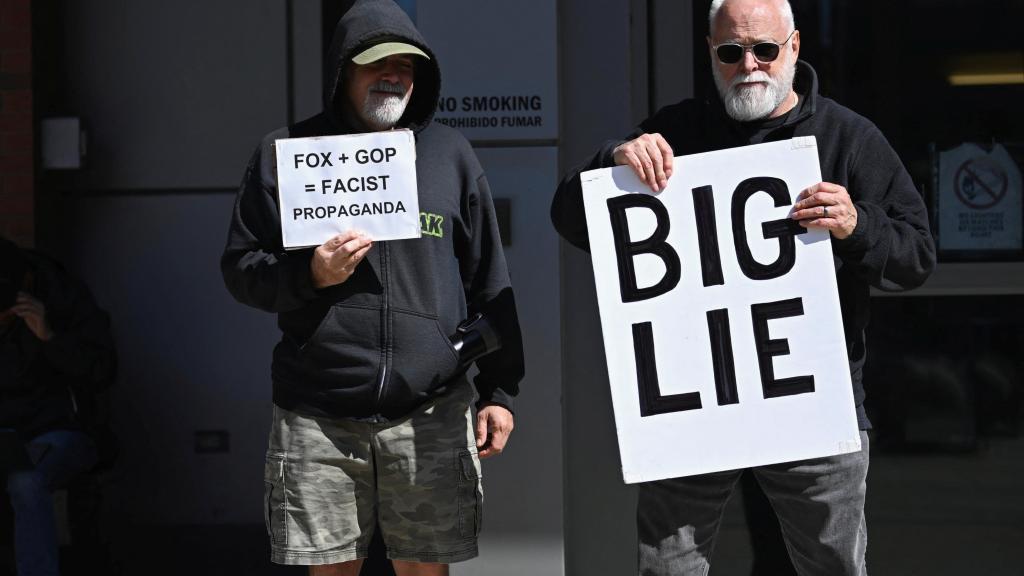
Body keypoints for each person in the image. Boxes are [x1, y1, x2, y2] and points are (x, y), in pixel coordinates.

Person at [550, 0, 935, 573]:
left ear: (795, 47)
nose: (749, 65)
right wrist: (612, 161)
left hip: (810, 401)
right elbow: (569, 216)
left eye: (765, 49)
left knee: (831, 564)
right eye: (731, 51)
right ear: (711, 53)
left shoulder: (847, 137)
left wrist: (858, 225)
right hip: (694, 401)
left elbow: (916, 256)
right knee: (669, 565)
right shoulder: (677, 131)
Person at [220, 1, 524, 574]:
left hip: (431, 409)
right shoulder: (287, 154)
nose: (394, 76)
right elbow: (241, 268)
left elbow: (489, 280)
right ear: (343, 71)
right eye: (377, 64)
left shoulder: (451, 154)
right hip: (318, 414)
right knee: (330, 568)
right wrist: (310, 275)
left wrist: (499, 391)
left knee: (425, 568)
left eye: (407, 67)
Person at [0, 236, 116, 576]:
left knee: (26, 481)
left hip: (57, 430)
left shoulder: (61, 296)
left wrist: (50, 338)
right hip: (6, 434)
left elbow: (102, 370)